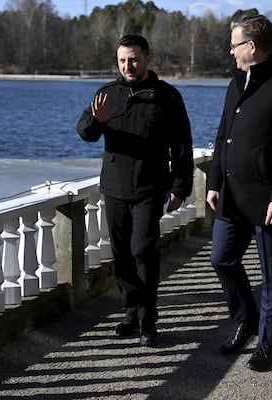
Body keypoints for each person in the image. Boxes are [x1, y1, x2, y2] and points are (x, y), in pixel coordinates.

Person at [206, 15, 272, 371]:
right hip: (231, 195)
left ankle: (267, 342)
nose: (230, 51)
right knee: (221, 258)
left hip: (268, 200)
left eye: (234, 45)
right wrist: (213, 181)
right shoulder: (236, 82)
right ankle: (246, 320)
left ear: (251, 47)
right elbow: (224, 136)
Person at [76, 34, 194, 347]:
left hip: (150, 187)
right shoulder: (107, 94)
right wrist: (96, 121)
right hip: (114, 187)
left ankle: (148, 317)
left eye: (134, 59)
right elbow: (84, 132)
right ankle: (130, 309)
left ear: (147, 59)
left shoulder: (167, 97)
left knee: (143, 249)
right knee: (121, 252)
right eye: (123, 60)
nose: (129, 65)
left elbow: (181, 146)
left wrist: (180, 185)